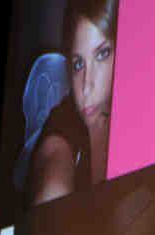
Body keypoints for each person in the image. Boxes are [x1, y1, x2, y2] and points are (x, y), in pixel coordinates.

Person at [28, 0, 118, 205]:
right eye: (78, 64)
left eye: (102, 54)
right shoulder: (64, 123)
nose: (86, 86)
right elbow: (54, 178)